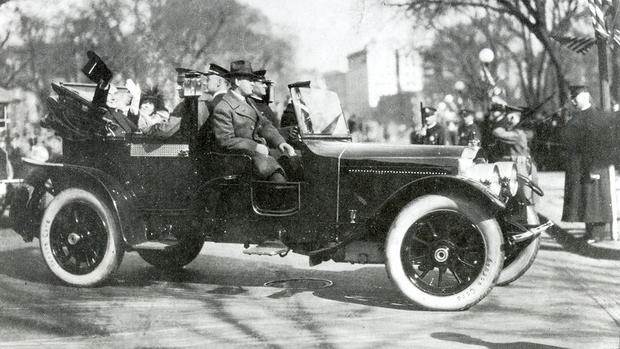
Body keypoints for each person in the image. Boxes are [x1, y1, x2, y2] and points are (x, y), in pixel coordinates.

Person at [210, 60, 296, 182]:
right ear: (237, 81)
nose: (252, 84)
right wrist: (255, 146)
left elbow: (265, 124)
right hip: (241, 160)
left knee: (295, 163)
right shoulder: (223, 107)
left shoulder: (249, 102)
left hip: (259, 156)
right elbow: (226, 141)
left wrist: (280, 142)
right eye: (249, 80)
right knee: (278, 180)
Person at [561, 85, 615, 242]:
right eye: (572, 97)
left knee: (594, 199)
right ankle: (590, 232)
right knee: (585, 198)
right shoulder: (580, 115)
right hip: (581, 165)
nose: (573, 100)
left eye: (575, 96)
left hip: (593, 165)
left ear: (586, 96)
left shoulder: (594, 116)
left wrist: (594, 167)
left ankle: (596, 234)